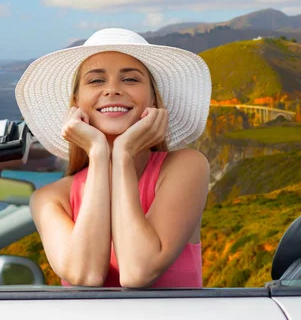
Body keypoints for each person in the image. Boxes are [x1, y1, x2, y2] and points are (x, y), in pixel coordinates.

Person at [14, 28, 212, 288]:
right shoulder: (49, 199)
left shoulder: (185, 167)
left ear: (153, 98)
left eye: (130, 79)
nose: (112, 90)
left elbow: (138, 271)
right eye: (96, 81)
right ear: (75, 103)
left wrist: (123, 155)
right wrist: (98, 153)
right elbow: (85, 275)